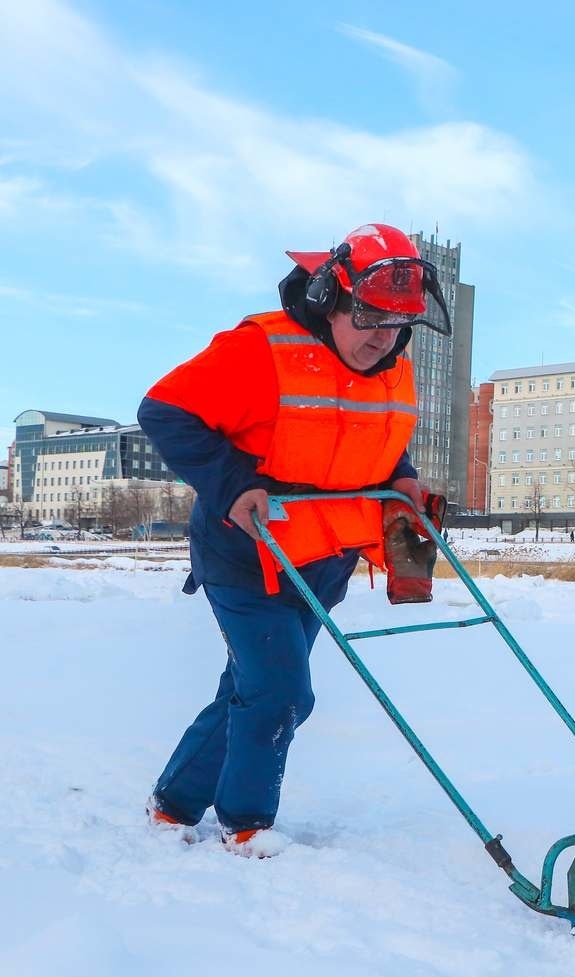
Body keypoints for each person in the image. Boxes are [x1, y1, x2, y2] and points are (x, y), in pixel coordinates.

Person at [138, 224, 451, 857]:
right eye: (367, 317)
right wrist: (233, 486)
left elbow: (378, 437)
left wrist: (405, 481)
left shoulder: (390, 365)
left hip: (323, 562)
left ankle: (173, 806)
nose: (380, 338)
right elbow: (164, 410)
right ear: (332, 295)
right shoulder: (261, 349)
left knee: (249, 689)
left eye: (396, 325)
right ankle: (246, 823)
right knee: (282, 693)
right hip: (246, 556)